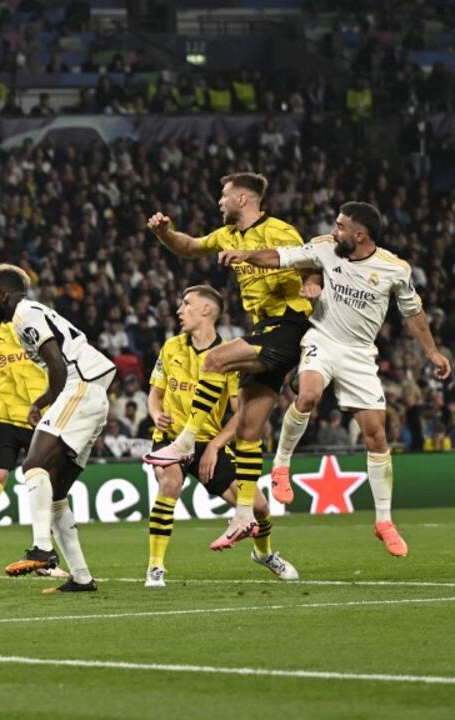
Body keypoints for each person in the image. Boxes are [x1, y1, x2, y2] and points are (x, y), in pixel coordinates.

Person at [217, 202, 452, 556]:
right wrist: (244, 255)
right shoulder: (325, 247)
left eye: (341, 226)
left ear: (360, 235)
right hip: (322, 339)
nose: (334, 229)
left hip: (359, 353)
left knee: (376, 435)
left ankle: (384, 521)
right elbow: (281, 256)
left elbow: (413, 312)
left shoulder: (394, 269)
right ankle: (281, 465)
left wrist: (432, 352)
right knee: (308, 394)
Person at [145, 172, 317, 550]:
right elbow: (189, 247)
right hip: (264, 328)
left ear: (243, 198)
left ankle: (186, 440)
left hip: (290, 323)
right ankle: (243, 515)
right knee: (249, 430)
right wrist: (164, 233)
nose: (219, 202)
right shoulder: (226, 236)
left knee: (216, 359)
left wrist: (312, 282)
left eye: (224, 196)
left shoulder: (279, 230)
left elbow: (309, 262)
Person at [144, 287, 299, 588]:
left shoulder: (231, 356)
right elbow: (155, 395)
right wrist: (155, 415)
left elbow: (241, 414)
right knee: (170, 483)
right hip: (171, 438)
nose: (179, 310)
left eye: (186, 304)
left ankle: (264, 553)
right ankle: (155, 567)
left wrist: (215, 445)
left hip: (209, 443)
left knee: (259, 508)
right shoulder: (171, 347)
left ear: (206, 310)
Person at [0, 266, 115, 593]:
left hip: (80, 386)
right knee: (56, 493)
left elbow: (57, 365)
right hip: (91, 391)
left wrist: (49, 401)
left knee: (32, 466)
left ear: (3, 295)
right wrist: (44, 401)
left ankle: (42, 547)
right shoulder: (34, 311)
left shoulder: (22, 315)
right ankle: (82, 578)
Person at [0, 270, 66, 582]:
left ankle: (45, 558)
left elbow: (60, 365)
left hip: (40, 417)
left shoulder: (37, 321)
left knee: (49, 486)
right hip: (5, 417)